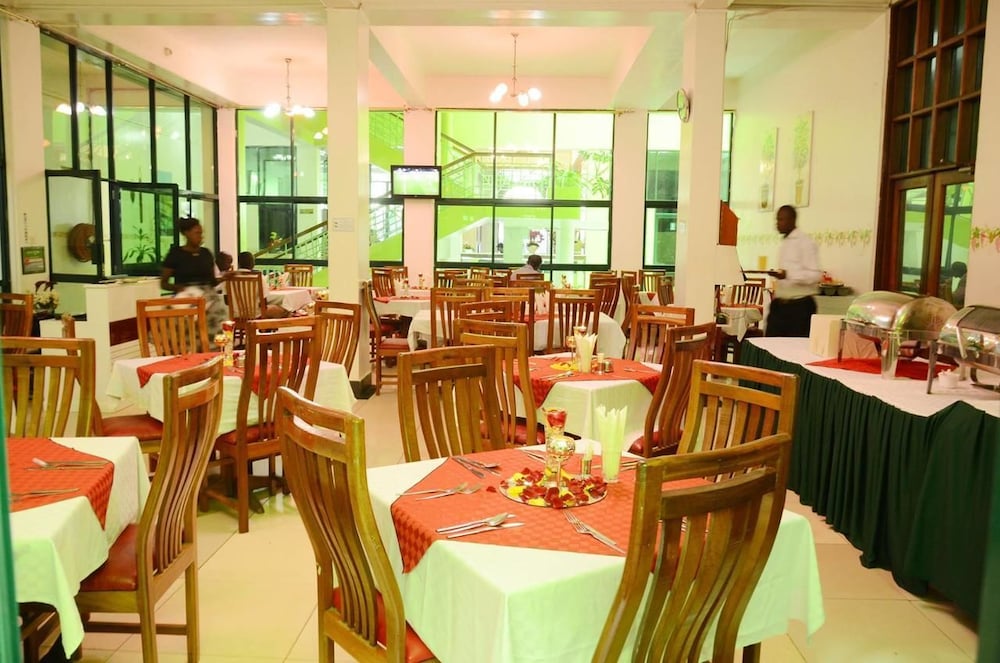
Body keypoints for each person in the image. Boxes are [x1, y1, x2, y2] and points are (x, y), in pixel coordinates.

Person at [160, 217, 228, 337]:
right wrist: (179, 288)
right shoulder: (176, 254)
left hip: (209, 299)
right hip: (187, 299)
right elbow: (163, 283)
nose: (200, 236)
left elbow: (212, 282)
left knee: (217, 329)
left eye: (201, 233)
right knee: (179, 331)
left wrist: (224, 278)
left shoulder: (206, 253)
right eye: (197, 233)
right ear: (186, 233)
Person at [766, 205, 821, 337]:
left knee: (795, 345)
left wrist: (788, 275)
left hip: (799, 307)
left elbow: (816, 275)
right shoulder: (785, 242)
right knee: (770, 343)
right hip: (780, 306)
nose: (777, 224)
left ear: (792, 220)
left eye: (781, 219)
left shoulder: (805, 242)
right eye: (777, 220)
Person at [236, 251, 287, 318]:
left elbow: (227, 300)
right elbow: (263, 303)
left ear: (238, 263)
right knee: (285, 310)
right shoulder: (258, 277)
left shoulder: (230, 277)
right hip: (255, 314)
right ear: (252, 264)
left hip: (236, 314)